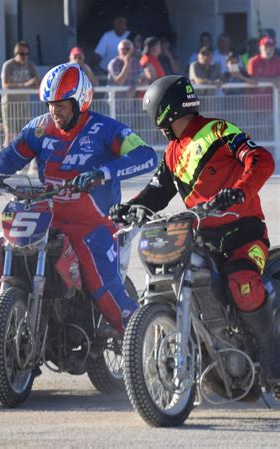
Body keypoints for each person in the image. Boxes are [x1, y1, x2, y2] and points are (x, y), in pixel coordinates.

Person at [110, 75, 279, 386]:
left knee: (242, 282)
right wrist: (126, 210)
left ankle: (273, 365)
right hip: (201, 239)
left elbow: (261, 159)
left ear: (162, 111)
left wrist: (239, 191)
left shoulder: (218, 130)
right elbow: (155, 194)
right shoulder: (173, 153)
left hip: (244, 235)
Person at [0, 63, 158, 336]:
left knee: (105, 291)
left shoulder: (106, 129)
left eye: (61, 105)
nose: (54, 111)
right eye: (50, 104)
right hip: (46, 220)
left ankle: (149, 345)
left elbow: (146, 156)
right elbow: (10, 157)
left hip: (93, 226)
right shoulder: (39, 129)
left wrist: (103, 173)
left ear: (80, 101)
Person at [0, 41, 40, 146]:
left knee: (22, 133)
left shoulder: (30, 65)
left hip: (24, 104)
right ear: (16, 54)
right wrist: (25, 85)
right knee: (9, 134)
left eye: (27, 54)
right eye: (22, 54)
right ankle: (5, 159)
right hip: (9, 104)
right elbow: (5, 85)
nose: (25, 57)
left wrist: (34, 84)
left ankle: (20, 159)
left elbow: (37, 82)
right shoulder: (8, 65)